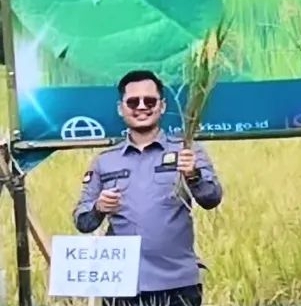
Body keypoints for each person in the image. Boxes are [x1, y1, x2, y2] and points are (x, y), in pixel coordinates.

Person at [72, 70, 224, 306]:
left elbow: (211, 199)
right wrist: (99, 208)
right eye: (133, 101)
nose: (142, 107)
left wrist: (193, 175)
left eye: (149, 101)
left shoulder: (187, 151)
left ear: (162, 106)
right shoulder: (105, 161)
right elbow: (83, 222)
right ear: (121, 108)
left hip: (178, 285)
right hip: (121, 286)